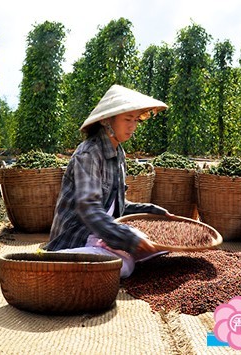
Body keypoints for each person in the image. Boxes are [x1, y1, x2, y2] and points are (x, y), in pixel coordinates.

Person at [43, 84, 172, 278]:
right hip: (77, 237)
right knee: (125, 264)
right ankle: (66, 261)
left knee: (156, 247)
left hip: (100, 234)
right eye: (128, 119)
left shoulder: (118, 152)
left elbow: (114, 204)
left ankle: (109, 256)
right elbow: (90, 209)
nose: (133, 126)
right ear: (106, 121)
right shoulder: (88, 154)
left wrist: (149, 210)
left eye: (136, 120)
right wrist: (128, 239)